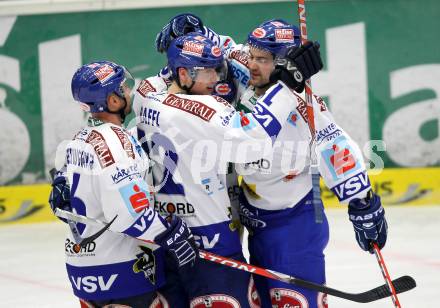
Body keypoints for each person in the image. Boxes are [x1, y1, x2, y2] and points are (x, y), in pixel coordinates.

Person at [156, 15, 388, 308]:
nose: (252, 64)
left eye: (262, 59)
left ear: (282, 63)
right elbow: (225, 48)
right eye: (252, 55)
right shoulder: (248, 69)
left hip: (293, 224)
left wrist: (362, 202)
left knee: (292, 301)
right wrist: (193, 31)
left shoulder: (304, 105)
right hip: (254, 219)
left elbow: (336, 145)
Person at [132, 31, 322, 307]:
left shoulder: (147, 99)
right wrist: (285, 86)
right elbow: (254, 141)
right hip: (209, 236)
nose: (215, 79)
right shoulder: (203, 108)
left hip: (165, 236)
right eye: (205, 71)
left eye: (216, 69)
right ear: (183, 74)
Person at [49, 61, 198, 307]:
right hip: (121, 267)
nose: (128, 92)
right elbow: (130, 214)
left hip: (82, 268)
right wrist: (170, 234)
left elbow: (61, 198)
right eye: (123, 88)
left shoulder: (77, 140)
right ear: (113, 101)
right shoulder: (116, 143)